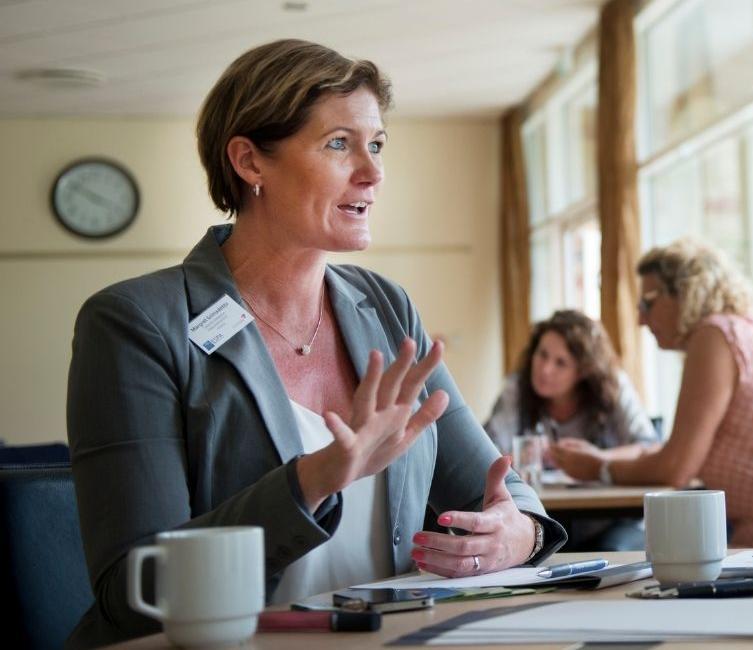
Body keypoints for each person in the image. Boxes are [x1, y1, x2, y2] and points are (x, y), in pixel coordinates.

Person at [65, 39, 564, 648]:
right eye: (339, 144)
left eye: (376, 144)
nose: (373, 172)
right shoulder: (135, 322)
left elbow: (500, 486)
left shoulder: (386, 306)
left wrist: (518, 534)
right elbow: (132, 590)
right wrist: (315, 478)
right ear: (250, 162)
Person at [549, 240, 753, 547]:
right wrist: (602, 459)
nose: (640, 318)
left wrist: (599, 468)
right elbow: (680, 451)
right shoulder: (747, 329)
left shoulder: (716, 336)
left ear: (685, 293)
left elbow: (675, 469)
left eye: (648, 302)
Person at [484, 310, 658, 549]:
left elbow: (649, 446)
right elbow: (488, 449)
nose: (545, 369)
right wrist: (524, 454)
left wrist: (597, 460)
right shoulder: (517, 389)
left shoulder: (614, 387)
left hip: (610, 521)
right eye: (542, 355)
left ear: (583, 370)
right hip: (542, 517)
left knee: (609, 550)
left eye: (561, 363)